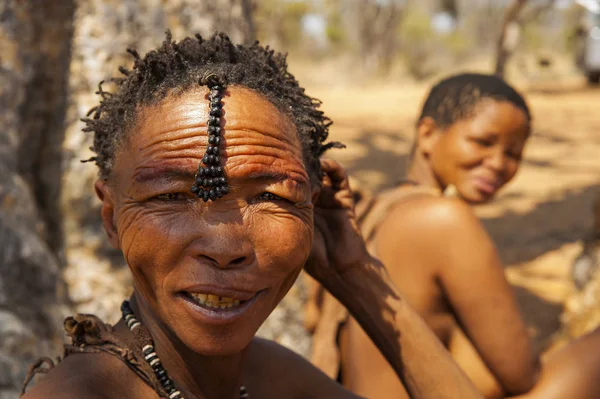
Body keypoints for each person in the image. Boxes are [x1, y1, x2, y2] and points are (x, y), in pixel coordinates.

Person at [20, 33, 483, 399]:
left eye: (272, 198)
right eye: (173, 197)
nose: (225, 249)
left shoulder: (268, 375)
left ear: (313, 209)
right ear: (111, 216)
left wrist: (355, 273)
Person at [307, 73, 600, 399]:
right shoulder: (444, 218)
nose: (499, 163)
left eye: (514, 154)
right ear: (428, 134)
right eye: (483, 142)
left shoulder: (375, 209)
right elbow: (521, 377)